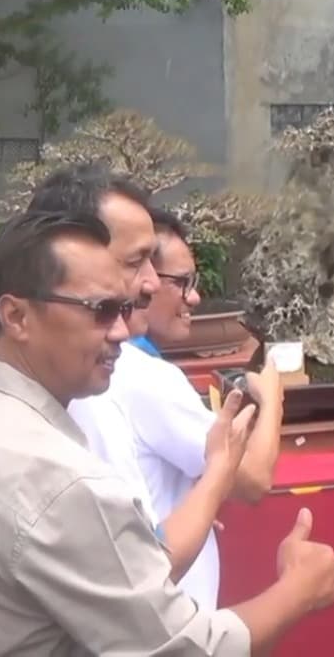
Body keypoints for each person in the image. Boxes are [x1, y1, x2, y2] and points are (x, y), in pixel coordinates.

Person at [0, 212, 334, 654]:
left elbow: (110, 578)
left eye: (123, 309)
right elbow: (188, 648)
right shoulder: (58, 481)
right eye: (101, 310)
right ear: (17, 317)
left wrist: (217, 473)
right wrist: (299, 590)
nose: (123, 331)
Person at [0, 164, 273, 594]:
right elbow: (135, 578)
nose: (151, 284)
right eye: (135, 262)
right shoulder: (113, 376)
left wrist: (187, 509)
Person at [113, 207, 283, 610]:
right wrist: (274, 397)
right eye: (183, 282)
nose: (194, 297)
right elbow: (253, 478)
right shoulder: (145, 378)